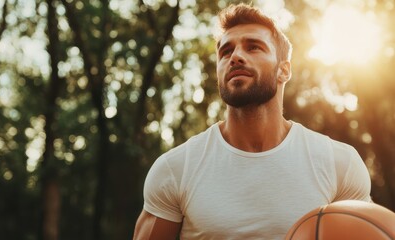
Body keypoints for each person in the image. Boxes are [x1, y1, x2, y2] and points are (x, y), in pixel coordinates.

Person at [133, 3, 372, 239]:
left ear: (284, 70)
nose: (235, 56)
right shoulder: (175, 170)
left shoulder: (340, 164)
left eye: (253, 47)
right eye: (225, 52)